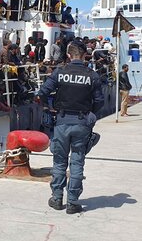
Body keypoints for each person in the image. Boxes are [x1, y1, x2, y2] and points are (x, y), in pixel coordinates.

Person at [38, 40, 104, 214]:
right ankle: (73, 202)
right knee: (77, 161)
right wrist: (90, 114)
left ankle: (57, 198)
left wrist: (47, 107)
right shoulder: (92, 75)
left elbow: (42, 93)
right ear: (84, 56)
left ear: (68, 55)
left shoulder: (60, 72)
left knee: (59, 161)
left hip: (61, 121)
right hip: (82, 123)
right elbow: (99, 101)